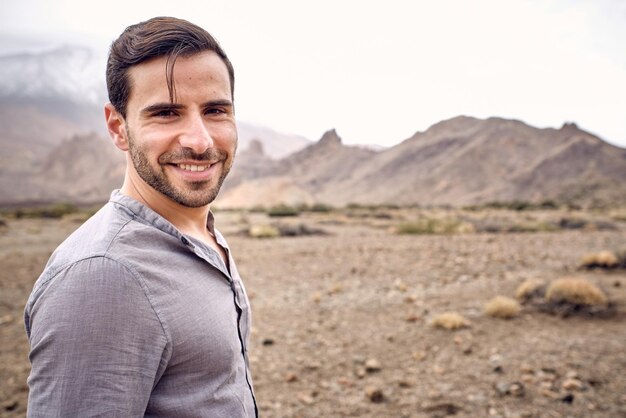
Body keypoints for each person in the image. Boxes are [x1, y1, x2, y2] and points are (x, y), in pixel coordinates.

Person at [24, 17, 258, 417]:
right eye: (166, 113)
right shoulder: (102, 275)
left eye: (215, 110)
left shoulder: (199, 231)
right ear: (118, 128)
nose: (200, 140)